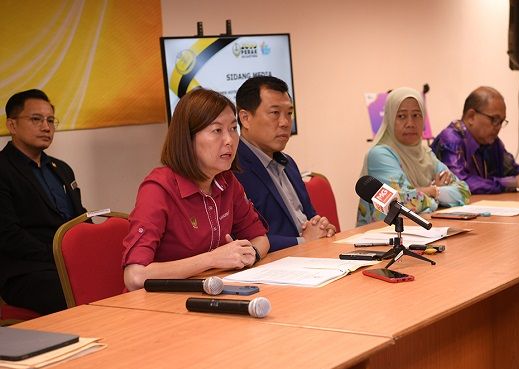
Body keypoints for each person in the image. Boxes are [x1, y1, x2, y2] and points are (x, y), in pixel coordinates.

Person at [122, 88, 269, 291]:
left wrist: (250, 254)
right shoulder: (158, 189)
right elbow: (135, 277)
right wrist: (212, 259)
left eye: (233, 128)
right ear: (188, 138)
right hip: (160, 301)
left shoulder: (226, 181)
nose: (229, 140)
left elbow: (260, 238)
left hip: (211, 290)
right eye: (217, 130)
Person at [0, 89, 86, 314]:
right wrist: (60, 257)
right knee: (76, 291)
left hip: (68, 263)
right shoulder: (3, 169)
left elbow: (80, 218)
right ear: (12, 125)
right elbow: (9, 235)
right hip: (27, 271)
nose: (46, 127)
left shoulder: (62, 169)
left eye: (50, 120)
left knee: (122, 275)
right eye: (36, 119)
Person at [234, 76, 336, 252]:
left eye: (289, 113)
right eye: (275, 113)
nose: (285, 122)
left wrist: (322, 227)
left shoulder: (288, 163)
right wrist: (302, 241)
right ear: (245, 118)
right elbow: (242, 239)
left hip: (313, 255)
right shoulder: (233, 169)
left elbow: (310, 218)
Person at [356, 87, 470, 226]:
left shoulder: (426, 154)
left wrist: (428, 192)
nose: (410, 124)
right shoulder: (379, 155)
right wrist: (434, 190)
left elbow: (463, 192)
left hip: (422, 230)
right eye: (401, 116)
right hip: (382, 234)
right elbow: (402, 204)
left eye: (416, 115)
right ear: (390, 119)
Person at [432, 86, 519, 194]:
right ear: (471, 116)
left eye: (501, 121)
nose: (498, 127)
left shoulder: (491, 142)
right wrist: (512, 182)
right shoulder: (451, 139)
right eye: (494, 120)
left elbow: (511, 169)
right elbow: (459, 184)